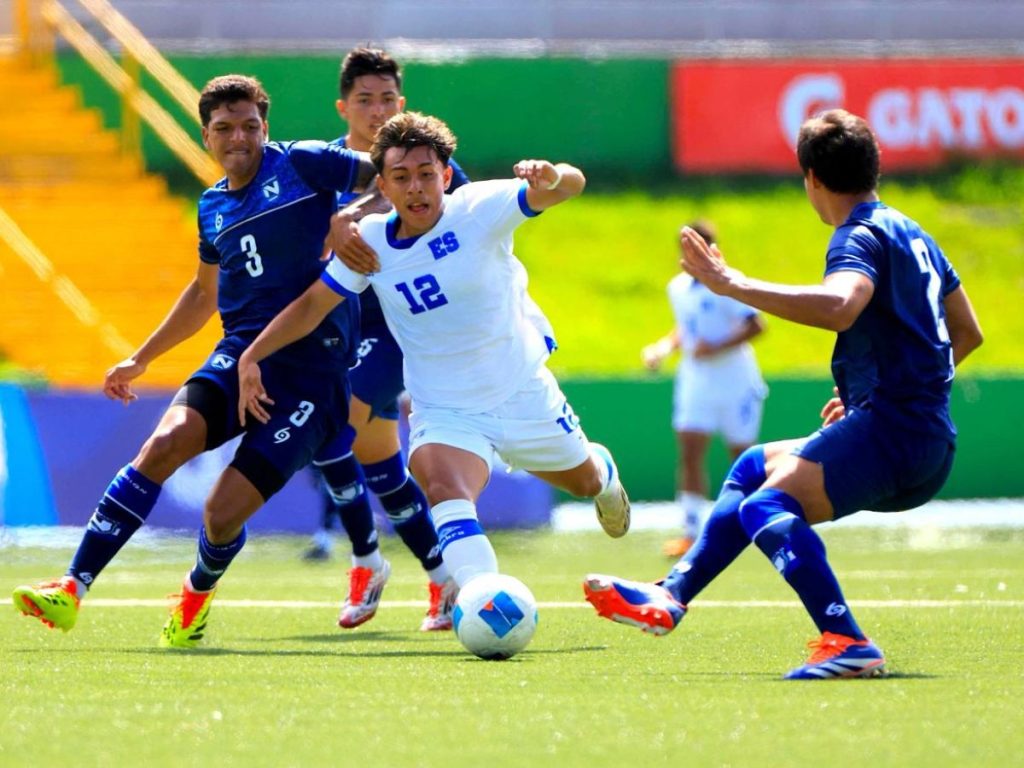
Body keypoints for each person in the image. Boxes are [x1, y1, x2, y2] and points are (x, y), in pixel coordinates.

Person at [584, 108, 983, 680]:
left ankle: (846, 639)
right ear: (874, 167)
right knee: (751, 468)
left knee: (766, 505)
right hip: (920, 434)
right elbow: (966, 332)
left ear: (812, 180)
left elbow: (841, 305)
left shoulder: (859, 235)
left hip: (897, 434)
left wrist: (732, 282)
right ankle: (670, 594)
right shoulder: (912, 232)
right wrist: (886, 388)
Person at [12, 74, 377, 648]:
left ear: (266, 128)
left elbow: (392, 173)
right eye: (225, 128)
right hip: (237, 356)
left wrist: (351, 216)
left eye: (250, 126)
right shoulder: (212, 206)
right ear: (205, 135)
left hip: (311, 370)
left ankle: (195, 592)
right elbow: (204, 294)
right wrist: (140, 357)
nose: (239, 137)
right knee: (161, 446)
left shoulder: (306, 164)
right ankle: (71, 587)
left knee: (220, 513)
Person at [237, 111, 631, 595]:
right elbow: (315, 304)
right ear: (382, 184)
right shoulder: (373, 240)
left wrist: (553, 175)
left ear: (446, 176)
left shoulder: (479, 207)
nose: (416, 188)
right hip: (445, 409)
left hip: (520, 390)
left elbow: (570, 185)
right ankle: (484, 601)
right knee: (441, 485)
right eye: (401, 178)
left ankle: (603, 471)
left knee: (585, 482)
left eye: (427, 175)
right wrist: (251, 355)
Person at [302, 47, 471, 633]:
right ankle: (441, 574)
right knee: (376, 459)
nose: (377, 111)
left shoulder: (425, 163)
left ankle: (365, 558)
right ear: (343, 107)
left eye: (387, 99)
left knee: (329, 418)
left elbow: (465, 225)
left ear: (402, 102)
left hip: (401, 322)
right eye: (365, 101)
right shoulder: (321, 169)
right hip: (340, 322)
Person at [641, 220, 767, 558]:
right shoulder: (677, 287)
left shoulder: (730, 281)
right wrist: (663, 348)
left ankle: (753, 526)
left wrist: (717, 347)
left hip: (735, 380)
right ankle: (691, 530)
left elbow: (756, 325)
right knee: (690, 450)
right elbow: (685, 329)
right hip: (696, 380)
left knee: (742, 456)